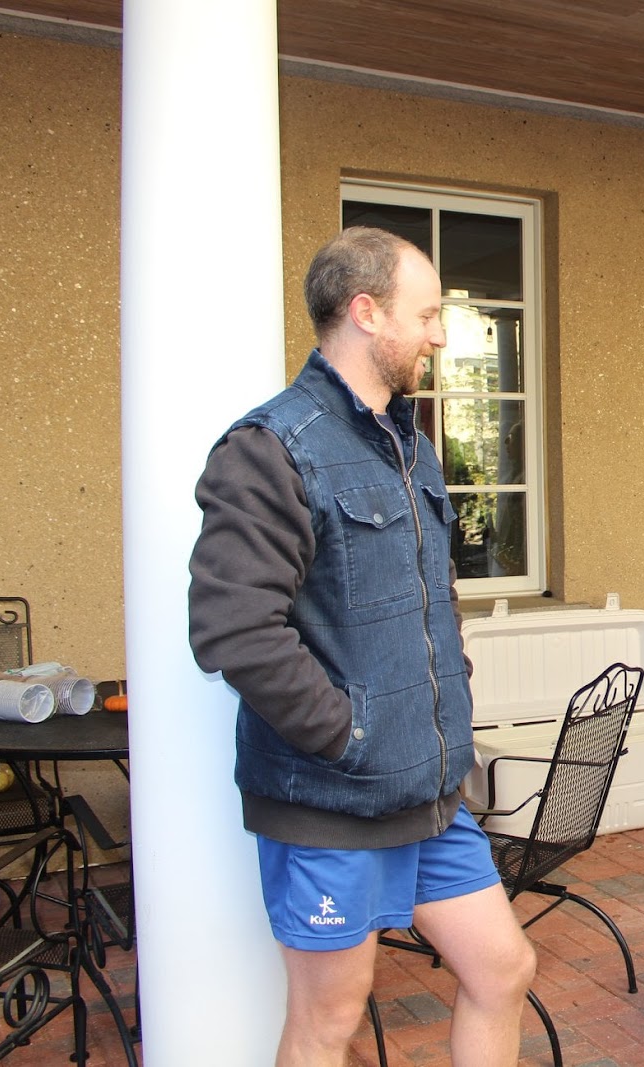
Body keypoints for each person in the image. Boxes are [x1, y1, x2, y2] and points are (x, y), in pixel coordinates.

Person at [188, 227, 535, 1066]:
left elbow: (429, 596)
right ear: (366, 311)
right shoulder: (271, 449)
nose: (442, 334)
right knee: (330, 1020)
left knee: (503, 966)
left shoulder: (409, 444)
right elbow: (231, 628)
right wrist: (349, 733)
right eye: (430, 313)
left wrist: (444, 698)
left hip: (428, 792)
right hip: (332, 802)